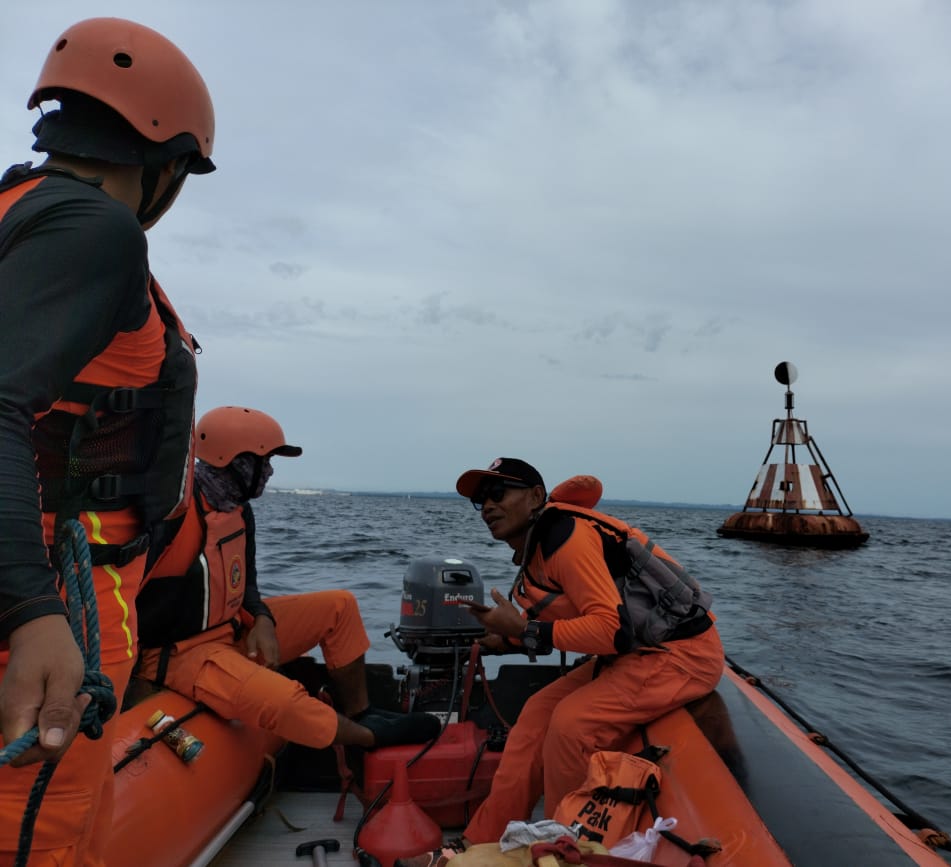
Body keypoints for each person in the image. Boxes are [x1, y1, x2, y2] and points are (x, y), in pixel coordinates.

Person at [0, 17, 214, 865]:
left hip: (51, 582)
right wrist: (31, 612)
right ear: (165, 163)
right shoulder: (95, 230)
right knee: (41, 837)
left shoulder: (20, 212)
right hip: (54, 594)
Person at [397, 458, 725, 867]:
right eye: (480, 500)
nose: (487, 506)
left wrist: (524, 630)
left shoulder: (568, 539)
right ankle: (479, 843)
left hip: (682, 655)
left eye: (498, 493)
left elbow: (611, 631)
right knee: (535, 715)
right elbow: (573, 626)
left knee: (572, 725)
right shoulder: (539, 547)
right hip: (633, 656)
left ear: (536, 496)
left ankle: (562, 852)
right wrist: (505, 639)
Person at [136, 406, 440, 751]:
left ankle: (362, 713)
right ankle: (369, 738)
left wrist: (262, 618)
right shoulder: (170, 515)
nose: (269, 471)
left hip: (233, 630)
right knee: (283, 700)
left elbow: (247, 585)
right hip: (180, 655)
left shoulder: (239, 510)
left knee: (340, 607)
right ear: (235, 460)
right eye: (263, 461)